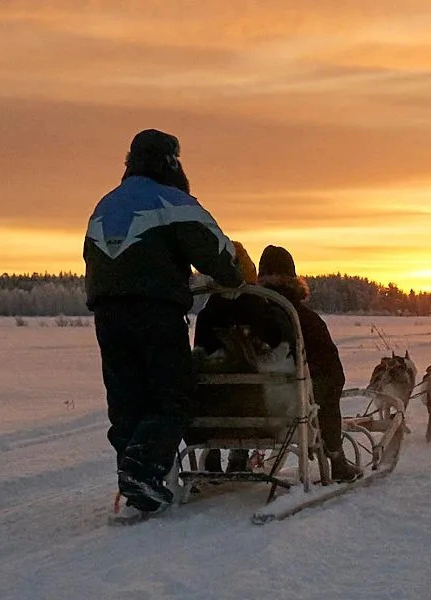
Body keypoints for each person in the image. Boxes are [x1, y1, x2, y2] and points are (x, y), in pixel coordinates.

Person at [84, 129, 243, 516]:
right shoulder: (174, 202)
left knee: (125, 398)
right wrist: (232, 278)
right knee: (172, 395)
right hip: (156, 311)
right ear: (172, 162)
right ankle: (143, 470)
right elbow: (220, 256)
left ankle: (136, 476)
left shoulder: (104, 205)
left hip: (106, 313)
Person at [257, 245, 362, 482]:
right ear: (291, 277)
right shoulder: (303, 318)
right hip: (289, 408)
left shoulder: (242, 311)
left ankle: (236, 457)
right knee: (332, 380)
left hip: (244, 408)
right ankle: (335, 456)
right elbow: (333, 375)